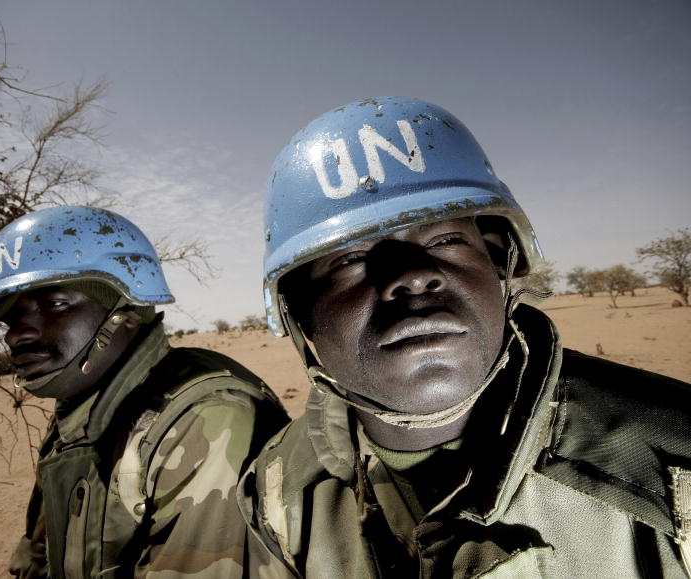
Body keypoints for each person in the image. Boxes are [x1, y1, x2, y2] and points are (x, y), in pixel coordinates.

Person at [239, 97, 691, 577]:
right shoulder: (277, 488)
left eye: (444, 240)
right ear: (301, 316)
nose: (412, 276)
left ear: (500, 261)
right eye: (349, 259)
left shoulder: (675, 467)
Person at [0, 206, 288, 578]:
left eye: (53, 305)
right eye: (11, 317)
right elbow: (41, 553)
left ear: (128, 312)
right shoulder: (80, 409)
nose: (16, 334)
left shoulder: (207, 419)